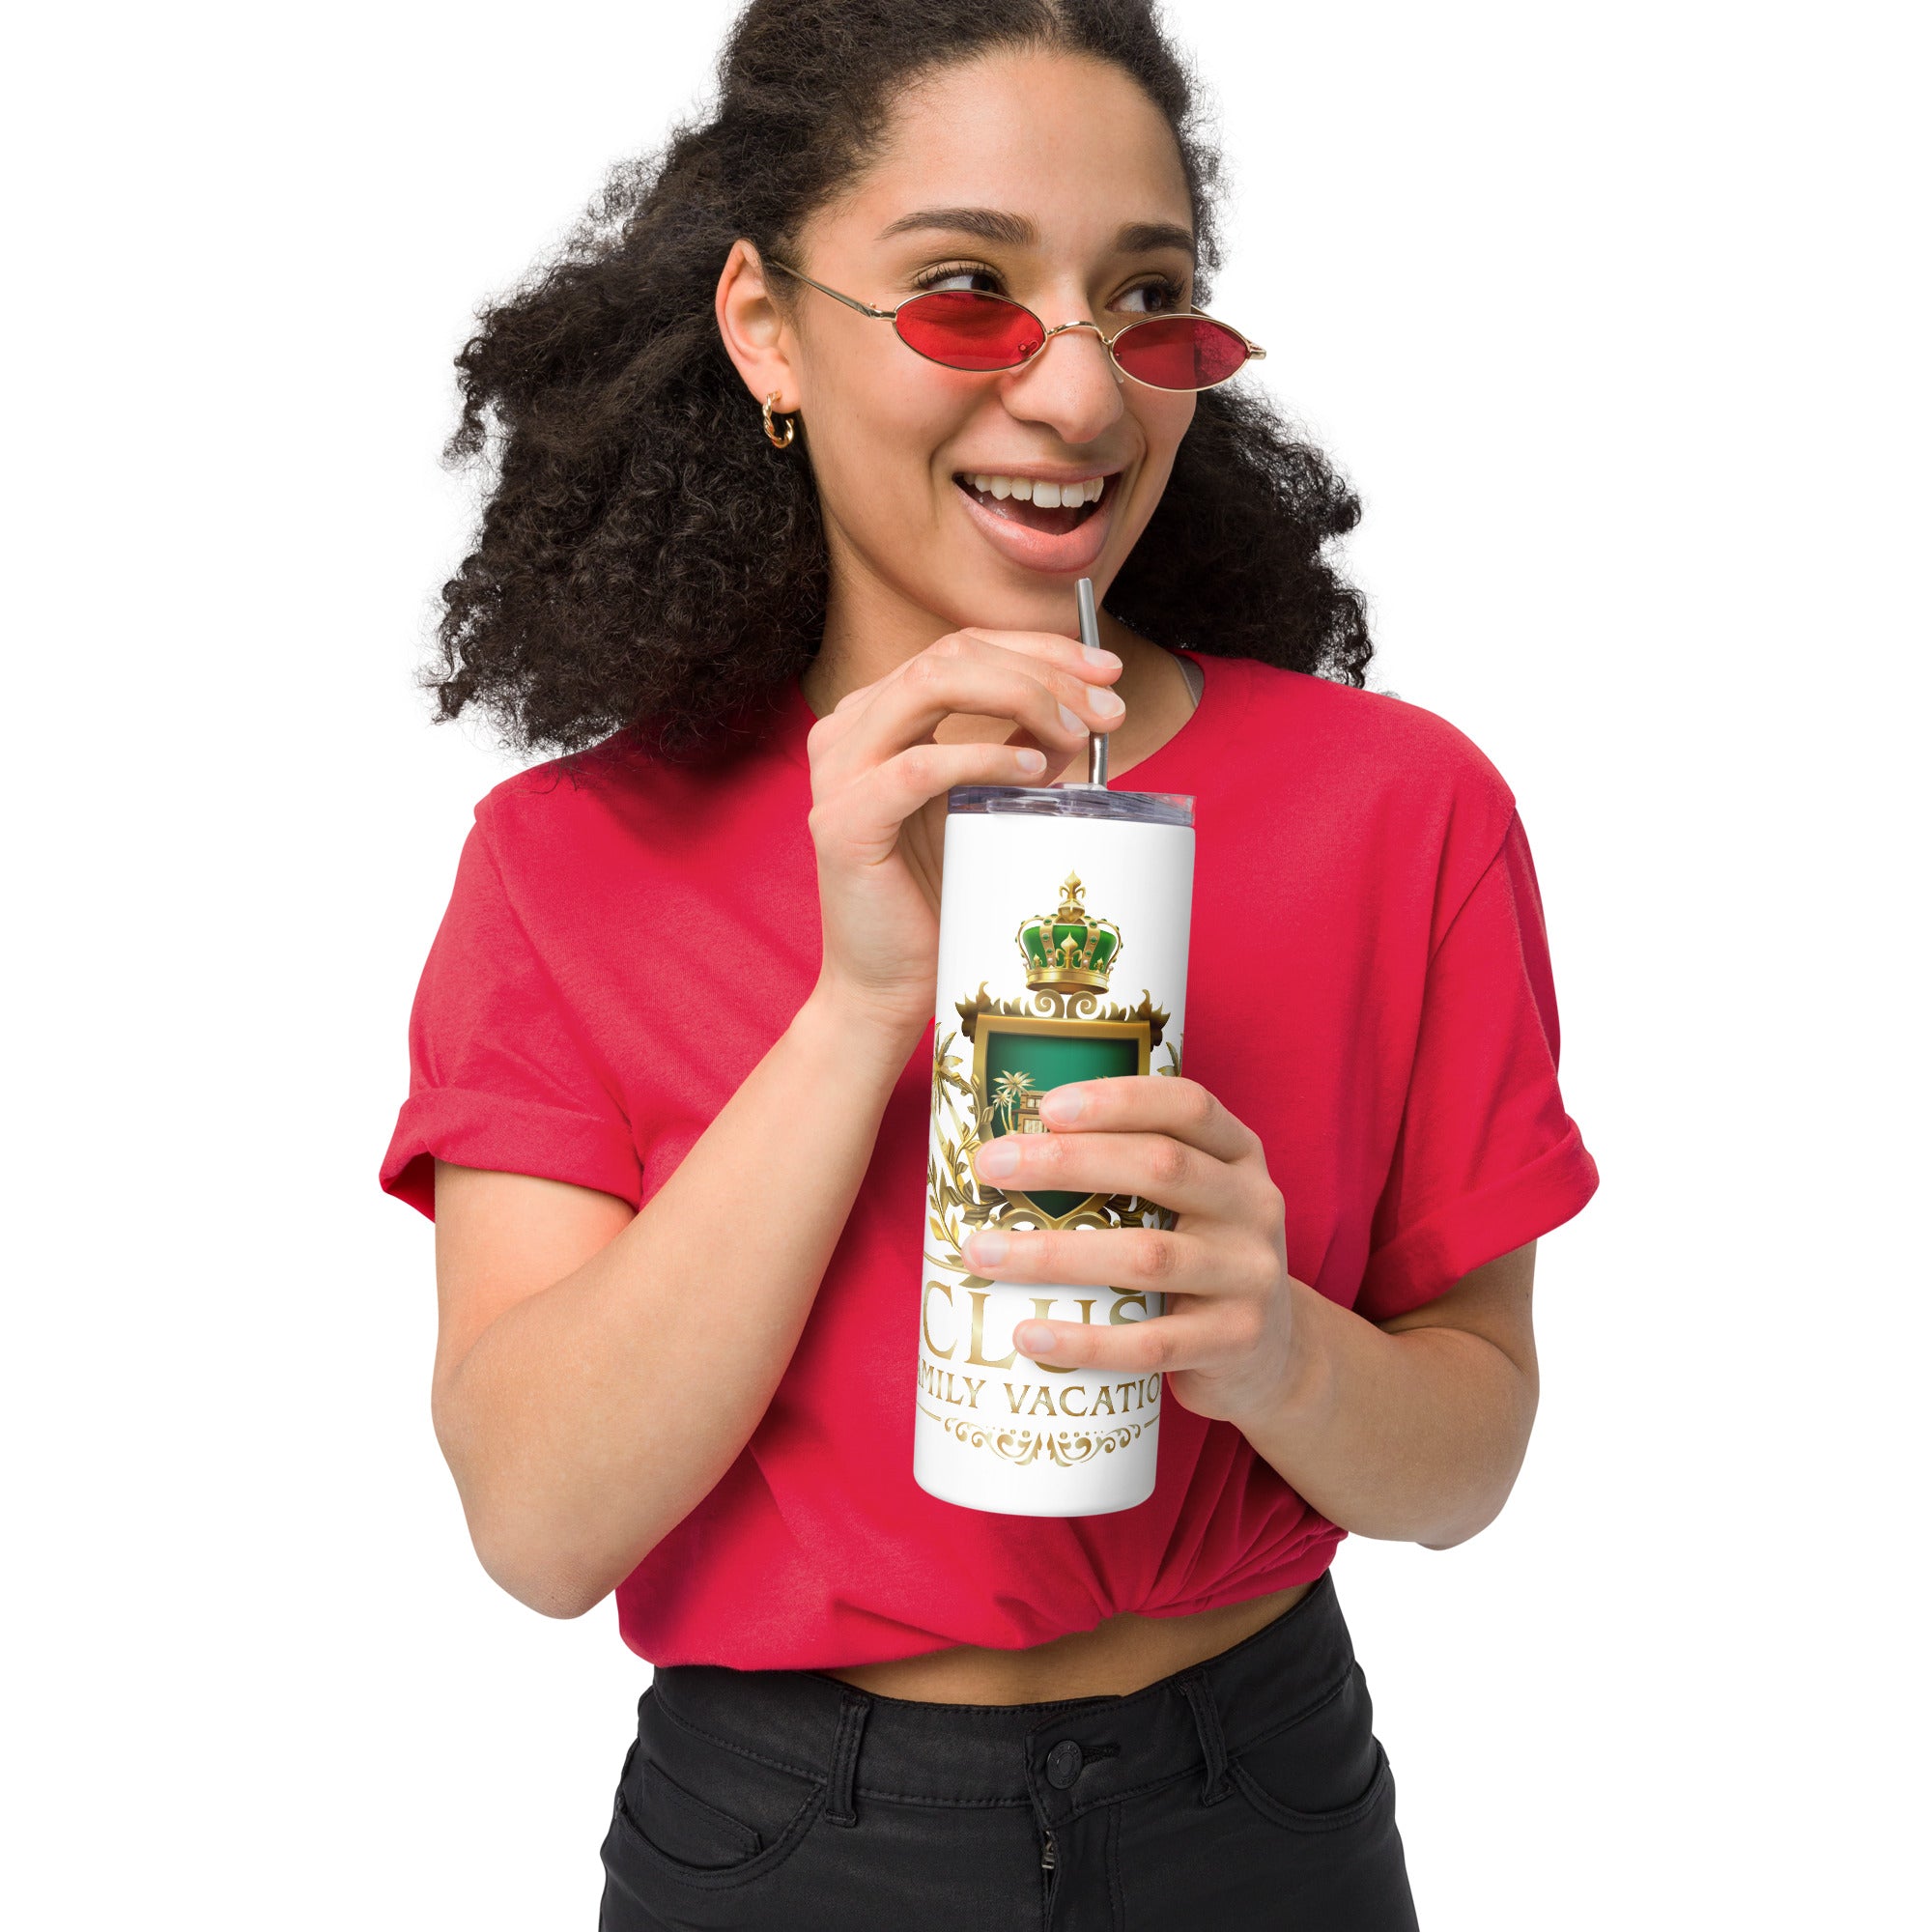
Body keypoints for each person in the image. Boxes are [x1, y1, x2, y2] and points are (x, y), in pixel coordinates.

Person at [380, 2, 1600, 1924]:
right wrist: (862, 1003)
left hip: (1261, 1801)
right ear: (767, 327)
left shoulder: (1401, 809)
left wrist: (1279, 1347)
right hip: (789, 1836)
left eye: (1147, 300)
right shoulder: (568, 863)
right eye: (967, 295)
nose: (1081, 398)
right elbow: (538, 1526)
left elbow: (1469, 1461)